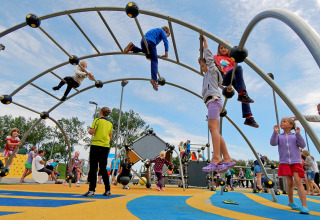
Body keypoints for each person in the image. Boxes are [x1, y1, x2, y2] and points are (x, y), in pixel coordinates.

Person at [199, 36, 235, 173]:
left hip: (214, 100)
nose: (202, 68)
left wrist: (205, 43)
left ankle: (216, 157)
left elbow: (209, 58)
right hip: (213, 102)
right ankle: (227, 157)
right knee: (215, 131)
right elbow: (222, 84)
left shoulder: (213, 70)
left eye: (203, 65)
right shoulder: (211, 74)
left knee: (212, 127)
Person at [214, 42, 258, 128]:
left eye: (225, 48)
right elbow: (207, 61)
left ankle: (248, 117)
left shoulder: (231, 58)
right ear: (219, 49)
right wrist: (201, 58)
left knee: (245, 94)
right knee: (239, 68)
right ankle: (242, 94)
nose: (223, 49)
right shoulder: (216, 57)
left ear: (228, 49)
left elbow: (237, 73)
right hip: (223, 76)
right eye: (221, 48)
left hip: (232, 78)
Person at [270, 117, 309, 214]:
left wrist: (298, 134)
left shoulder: (295, 136)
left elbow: (302, 145)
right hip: (285, 161)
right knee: (289, 182)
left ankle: (304, 205)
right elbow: (273, 143)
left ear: (291, 125)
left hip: (296, 161)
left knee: (298, 181)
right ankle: (291, 201)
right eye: (281, 122)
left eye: (284, 121)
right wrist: (275, 132)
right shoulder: (279, 136)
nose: (281, 123)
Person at [123, 26, 170, 91]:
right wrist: (166, 53)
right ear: (165, 31)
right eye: (167, 35)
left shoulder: (156, 32)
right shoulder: (161, 31)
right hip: (150, 42)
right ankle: (154, 79)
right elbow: (166, 42)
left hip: (143, 42)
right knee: (154, 60)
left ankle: (132, 47)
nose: (164, 37)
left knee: (147, 52)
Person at [83, 107, 113, 197]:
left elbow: (92, 132)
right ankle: (108, 190)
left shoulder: (97, 120)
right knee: (103, 168)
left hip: (96, 145)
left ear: (100, 112)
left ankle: (91, 190)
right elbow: (110, 137)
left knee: (93, 168)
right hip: (105, 147)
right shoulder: (110, 123)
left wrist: (89, 130)